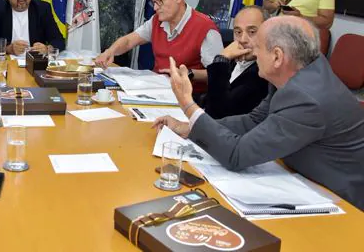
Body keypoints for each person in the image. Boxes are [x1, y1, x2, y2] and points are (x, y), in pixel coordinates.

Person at [152, 16, 364, 210]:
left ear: (278, 57)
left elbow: (236, 155)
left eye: (258, 47)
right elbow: (254, 121)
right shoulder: (299, 71)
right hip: (301, 178)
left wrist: (188, 104)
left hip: (341, 203)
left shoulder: (306, 99)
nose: (251, 52)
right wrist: (189, 128)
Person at [95, 0, 223, 92]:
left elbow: (218, 75)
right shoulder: (157, 20)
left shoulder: (206, 28)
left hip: (188, 99)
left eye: (159, 1)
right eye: (153, 2)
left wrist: (188, 73)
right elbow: (129, 40)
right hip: (156, 91)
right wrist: (110, 51)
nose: (155, 8)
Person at [203, 5, 268, 118]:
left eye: (252, 32)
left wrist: (221, 60)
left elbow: (218, 113)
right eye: (238, 32)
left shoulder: (264, 73)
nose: (243, 40)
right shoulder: (236, 59)